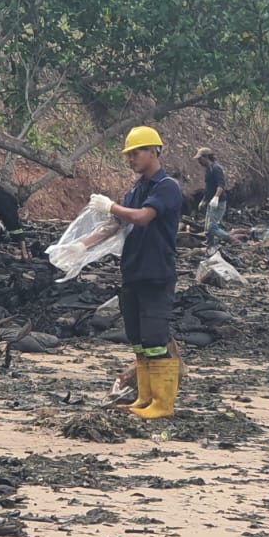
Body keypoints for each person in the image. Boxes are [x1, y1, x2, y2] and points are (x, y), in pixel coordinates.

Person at [88, 126, 183, 420]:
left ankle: (163, 405)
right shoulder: (137, 189)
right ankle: (145, 397)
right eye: (128, 155)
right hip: (133, 273)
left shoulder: (167, 186)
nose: (130, 159)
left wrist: (112, 205)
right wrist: (79, 247)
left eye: (136, 153)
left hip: (156, 273)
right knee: (139, 340)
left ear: (153, 151)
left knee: (155, 340)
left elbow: (142, 218)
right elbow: (116, 224)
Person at [195, 148, 230, 244]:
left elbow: (221, 185)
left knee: (212, 227)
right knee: (207, 226)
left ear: (206, 157)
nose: (199, 162)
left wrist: (216, 197)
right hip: (211, 201)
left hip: (219, 202)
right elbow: (208, 187)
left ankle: (230, 239)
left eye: (200, 159)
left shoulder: (216, 168)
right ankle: (209, 243)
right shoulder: (208, 169)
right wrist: (204, 200)